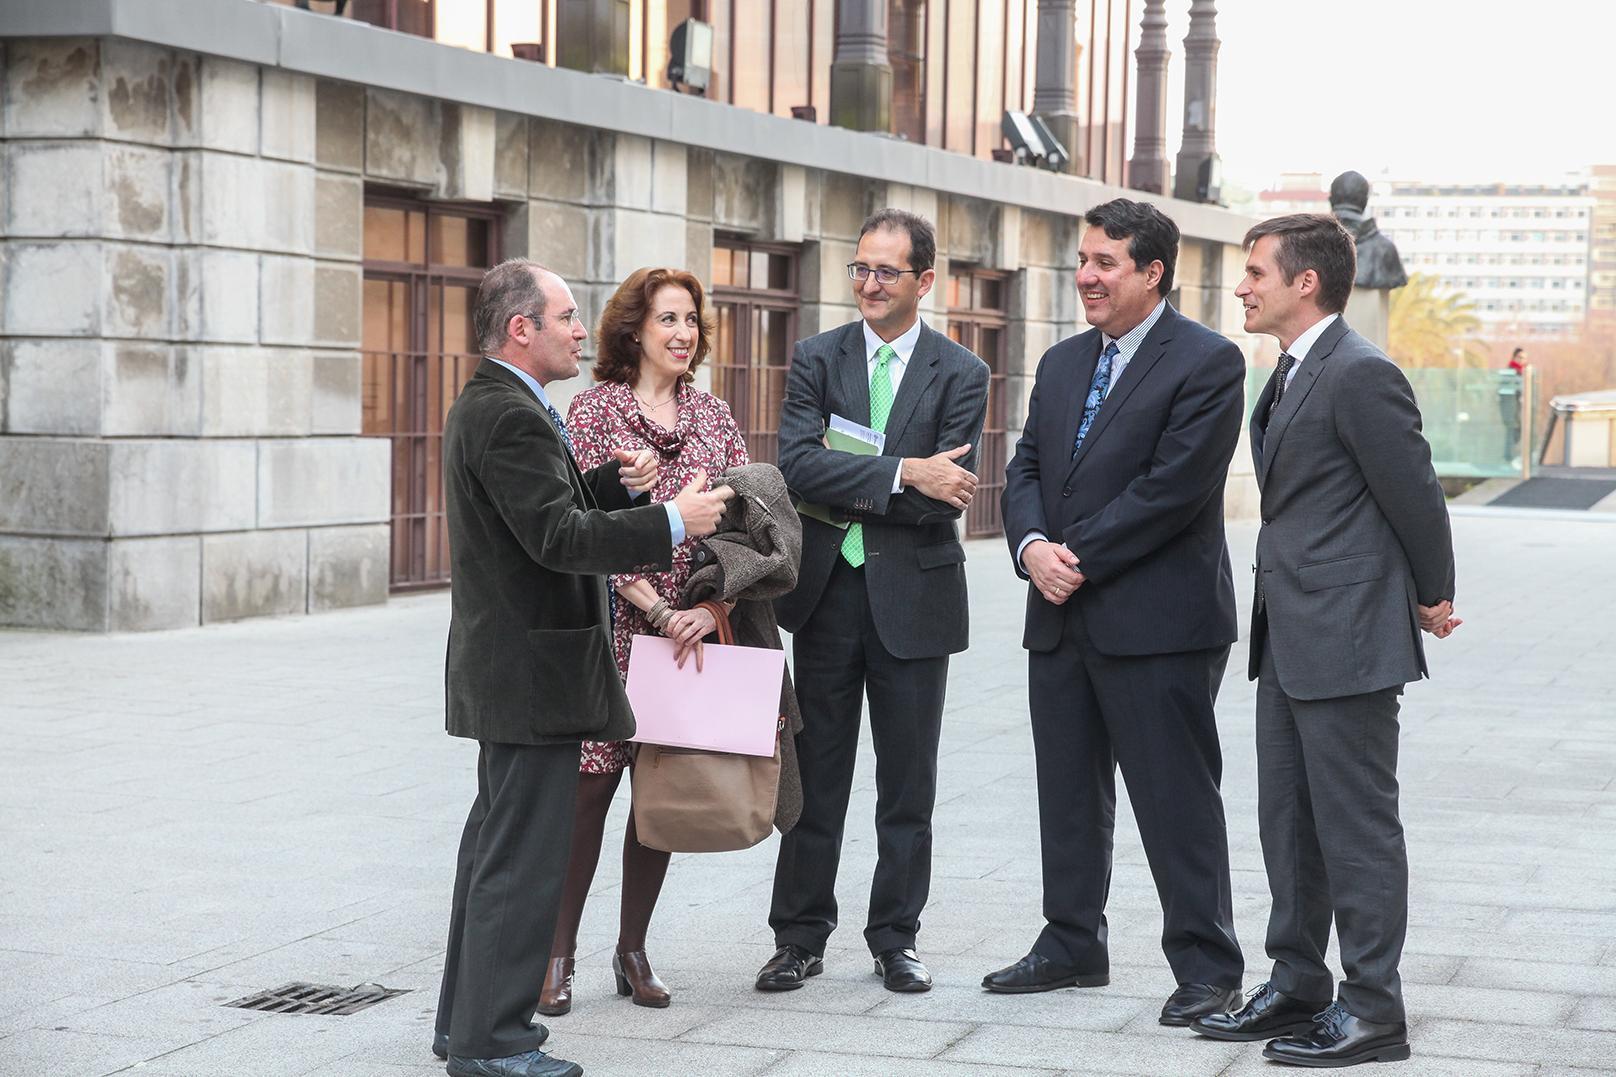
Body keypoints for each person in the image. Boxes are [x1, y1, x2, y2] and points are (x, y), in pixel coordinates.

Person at [432, 259, 733, 1077]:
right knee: (519, 863)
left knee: (493, 853)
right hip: (532, 679)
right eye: (565, 316)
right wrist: (675, 516)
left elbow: (545, 509)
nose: (577, 329)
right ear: (520, 329)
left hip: (515, 675)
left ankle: (463, 1027)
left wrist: (607, 482)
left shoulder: (503, 404)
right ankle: (494, 1043)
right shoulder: (511, 414)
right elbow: (557, 541)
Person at [1193, 214, 1458, 1067]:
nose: (1242, 286)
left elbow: (1415, 493)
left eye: (1255, 272)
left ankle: (1375, 1007)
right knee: (1289, 822)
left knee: (1356, 828)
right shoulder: (1287, 371)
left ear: (1305, 282)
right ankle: (1298, 981)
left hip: (1346, 634)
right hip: (1291, 631)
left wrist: (1433, 592)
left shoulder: (1360, 372)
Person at [988, 198, 1246, 1027]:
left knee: (1176, 800)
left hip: (1159, 624)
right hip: (1060, 613)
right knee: (1066, 794)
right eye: (1084, 260)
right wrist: (1030, 545)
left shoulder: (1209, 362)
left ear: (1152, 272)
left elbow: (1172, 489)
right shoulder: (1062, 362)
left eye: (1105, 262)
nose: (1087, 276)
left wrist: (1076, 557)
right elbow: (1024, 464)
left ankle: (1208, 966)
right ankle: (1071, 943)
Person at [758, 208, 989, 995]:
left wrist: (869, 476)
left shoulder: (963, 373)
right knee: (814, 773)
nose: (868, 283)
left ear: (925, 281)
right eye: (859, 268)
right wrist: (903, 472)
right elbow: (794, 466)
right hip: (826, 596)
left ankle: (896, 936)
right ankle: (798, 935)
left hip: (914, 601)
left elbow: (944, 499)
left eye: (886, 271)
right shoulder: (817, 358)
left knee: (907, 782)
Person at [536, 267, 751, 1016]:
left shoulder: (716, 418)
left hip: (688, 634)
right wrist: (655, 608)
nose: (683, 332)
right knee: (590, 791)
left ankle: (632, 949)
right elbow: (585, 525)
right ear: (634, 330)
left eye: (691, 319)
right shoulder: (592, 410)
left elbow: (743, 526)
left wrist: (710, 602)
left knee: (658, 796)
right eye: (668, 319)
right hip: (613, 629)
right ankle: (555, 954)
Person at [1498, 347, 1526, 463]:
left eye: (1524, 358)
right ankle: (1508, 458)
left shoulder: (1521, 372)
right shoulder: (1510, 371)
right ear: (1514, 357)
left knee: (1516, 432)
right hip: (1510, 407)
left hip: (1516, 407)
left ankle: (1510, 457)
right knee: (1512, 431)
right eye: (1520, 357)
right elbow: (1504, 391)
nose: (1522, 360)